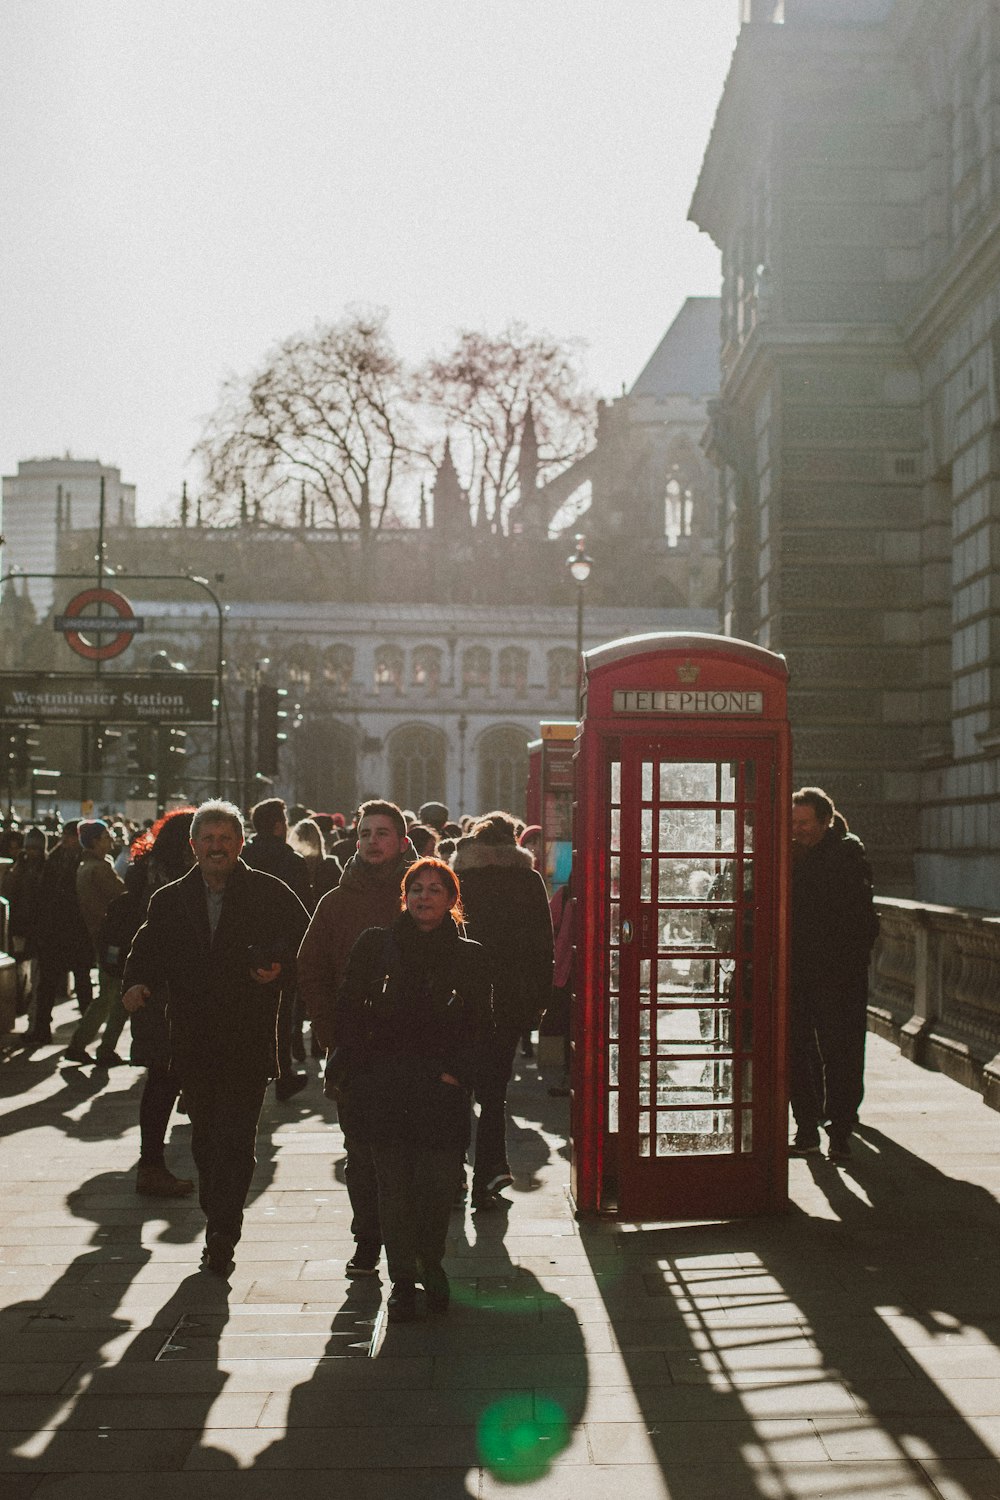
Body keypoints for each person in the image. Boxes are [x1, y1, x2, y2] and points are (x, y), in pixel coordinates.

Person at [121, 799, 310, 1273]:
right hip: (192, 1038)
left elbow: (304, 945)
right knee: (205, 1141)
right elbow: (146, 949)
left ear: (240, 843)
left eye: (226, 838)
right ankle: (217, 1217)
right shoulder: (169, 900)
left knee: (239, 1140)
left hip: (247, 1036)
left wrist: (280, 968)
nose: (217, 847)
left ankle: (223, 1231)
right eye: (208, 839)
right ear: (193, 846)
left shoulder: (270, 892)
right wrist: (136, 983)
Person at [334, 857, 492, 1320]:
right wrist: (358, 1069)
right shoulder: (375, 946)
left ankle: (431, 1262)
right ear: (404, 897)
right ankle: (404, 1280)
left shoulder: (471, 955)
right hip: (384, 1088)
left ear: (451, 900)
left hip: (440, 1092)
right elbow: (348, 1009)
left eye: (435, 889)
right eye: (416, 888)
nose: (424, 896)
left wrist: (460, 1074)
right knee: (393, 1189)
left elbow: (482, 1023)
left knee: (437, 1187)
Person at [297, 799, 415, 1276]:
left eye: (382, 833)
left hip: (413, 1047)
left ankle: (409, 1245)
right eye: (365, 833)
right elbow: (311, 969)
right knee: (361, 1150)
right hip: (356, 1047)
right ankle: (367, 1238)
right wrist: (329, 1032)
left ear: (402, 842)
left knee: (409, 1151)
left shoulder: (423, 893)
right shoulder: (336, 901)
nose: (371, 841)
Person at [452, 811, 553, 1208]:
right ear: (513, 843)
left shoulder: (462, 879)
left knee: (458, 1085)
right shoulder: (527, 880)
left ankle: (453, 1171)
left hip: (463, 997)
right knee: (495, 1092)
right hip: (510, 998)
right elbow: (543, 946)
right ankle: (490, 1176)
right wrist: (539, 1002)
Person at [789, 786, 879, 1162]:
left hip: (836, 975)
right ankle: (806, 1127)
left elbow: (863, 922)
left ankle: (840, 1131)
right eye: (793, 822)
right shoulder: (787, 852)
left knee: (839, 1054)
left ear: (826, 822)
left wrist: (846, 965)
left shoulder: (847, 855)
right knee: (796, 1052)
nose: (798, 829)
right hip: (796, 971)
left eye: (805, 822)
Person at [115, 807, 198, 1197]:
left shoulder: (140, 871)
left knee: (162, 1078)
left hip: (148, 985)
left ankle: (151, 1162)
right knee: (167, 1078)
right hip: (168, 990)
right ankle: (152, 1165)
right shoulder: (179, 885)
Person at [243, 796, 312, 1098]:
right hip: (279, 949)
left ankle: (253, 1073)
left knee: (246, 1017)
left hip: (245, 946)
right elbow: (301, 911)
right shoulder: (291, 860)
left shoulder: (243, 855)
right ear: (278, 825)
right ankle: (283, 1074)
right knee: (281, 1016)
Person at [64, 820, 128, 1067]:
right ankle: (101, 1047)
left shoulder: (87, 867)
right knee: (115, 995)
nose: (110, 839)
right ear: (94, 841)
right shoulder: (99, 869)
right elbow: (123, 895)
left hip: (101, 939)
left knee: (108, 994)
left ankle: (82, 1044)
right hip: (112, 940)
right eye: (105, 836)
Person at [28, 820, 94, 1047]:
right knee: (50, 984)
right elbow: (43, 895)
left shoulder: (81, 860)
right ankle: (42, 1029)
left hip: (74, 932)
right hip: (57, 932)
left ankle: (85, 1030)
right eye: (66, 836)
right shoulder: (57, 859)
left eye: (71, 836)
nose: (66, 840)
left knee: (81, 982)